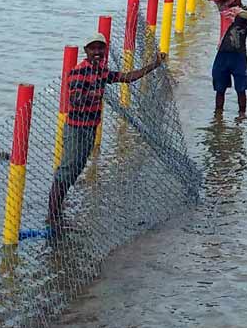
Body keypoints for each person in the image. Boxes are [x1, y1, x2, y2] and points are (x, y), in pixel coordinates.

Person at [47, 33, 166, 228]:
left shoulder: (101, 71)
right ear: (86, 51)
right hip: (76, 129)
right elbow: (74, 98)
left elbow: (126, 78)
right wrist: (89, 93)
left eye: (100, 48)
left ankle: (58, 209)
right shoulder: (80, 71)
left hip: (90, 129)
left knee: (76, 169)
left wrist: (154, 65)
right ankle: (52, 217)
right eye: (93, 49)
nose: (97, 52)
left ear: (105, 51)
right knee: (67, 171)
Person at [208, 0, 247, 116]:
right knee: (220, 89)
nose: (232, 1)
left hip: (238, 55)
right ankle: (218, 116)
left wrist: (238, 12)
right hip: (223, 54)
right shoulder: (225, 9)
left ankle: (241, 115)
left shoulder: (246, 11)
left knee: (241, 89)